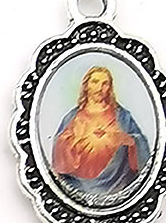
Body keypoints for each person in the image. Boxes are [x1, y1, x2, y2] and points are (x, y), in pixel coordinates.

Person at [49, 65, 152, 199]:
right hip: (78, 186)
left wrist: (126, 139)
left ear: (110, 88)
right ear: (86, 86)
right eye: (95, 82)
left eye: (105, 83)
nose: (99, 88)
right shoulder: (72, 117)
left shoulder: (122, 116)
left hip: (118, 184)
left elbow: (139, 142)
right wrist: (77, 141)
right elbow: (59, 148)